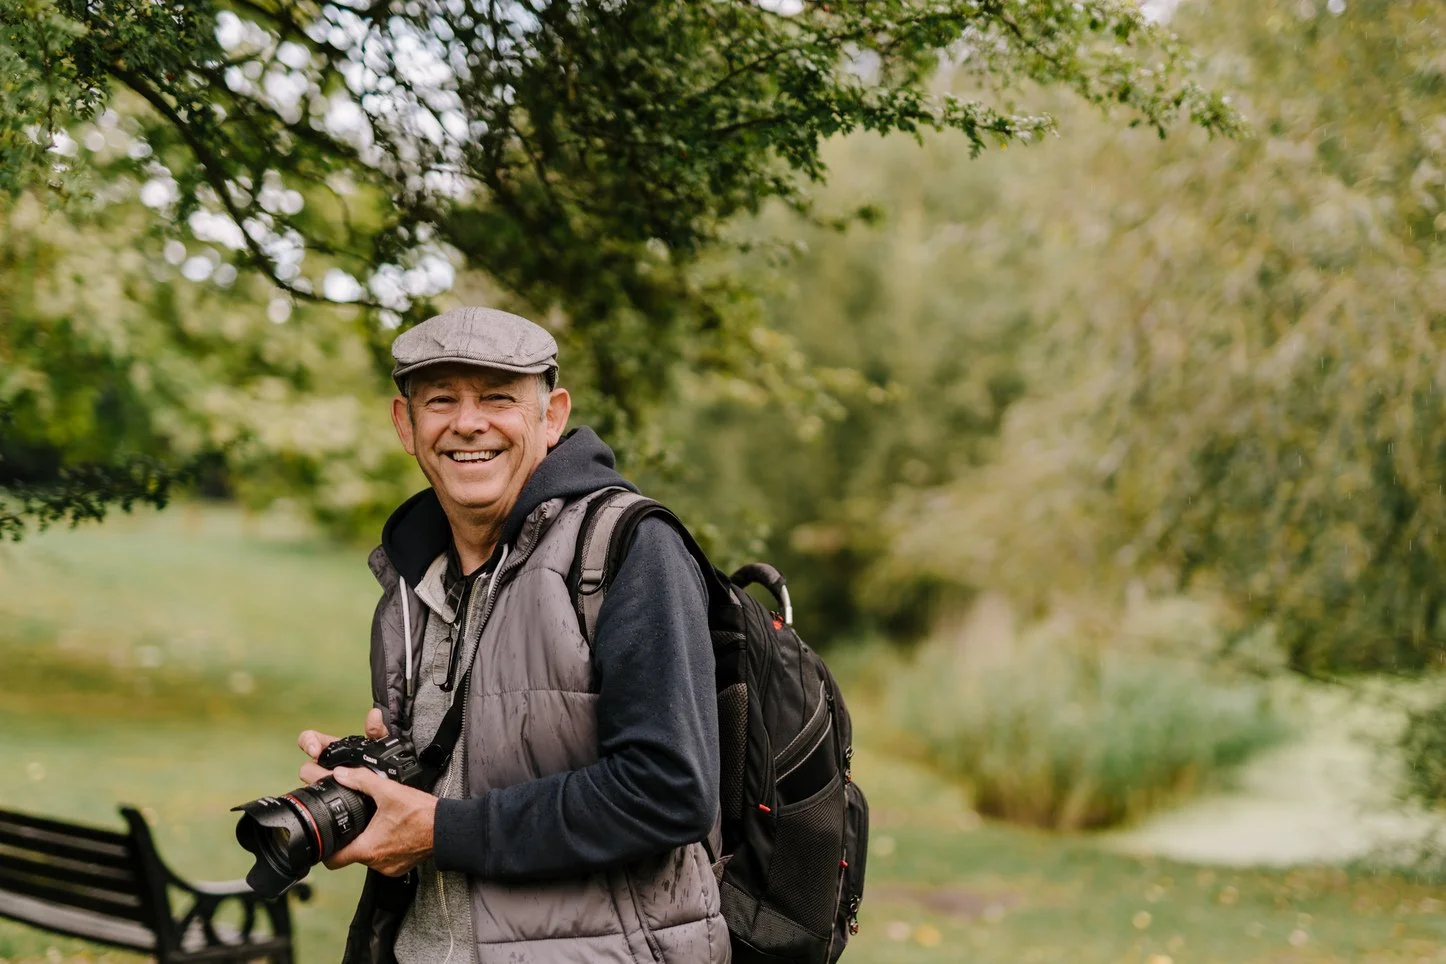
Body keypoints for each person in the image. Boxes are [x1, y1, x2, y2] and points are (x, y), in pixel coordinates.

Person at [294, 306, 729, 964]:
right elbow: (474, 771)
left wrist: (440, 829)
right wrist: (382, 777)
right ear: (405, 424)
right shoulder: (412, 586)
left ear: (551, 417)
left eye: (497, 398)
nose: (467, 423)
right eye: (441, 400)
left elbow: (669, 792)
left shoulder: (627, 549)